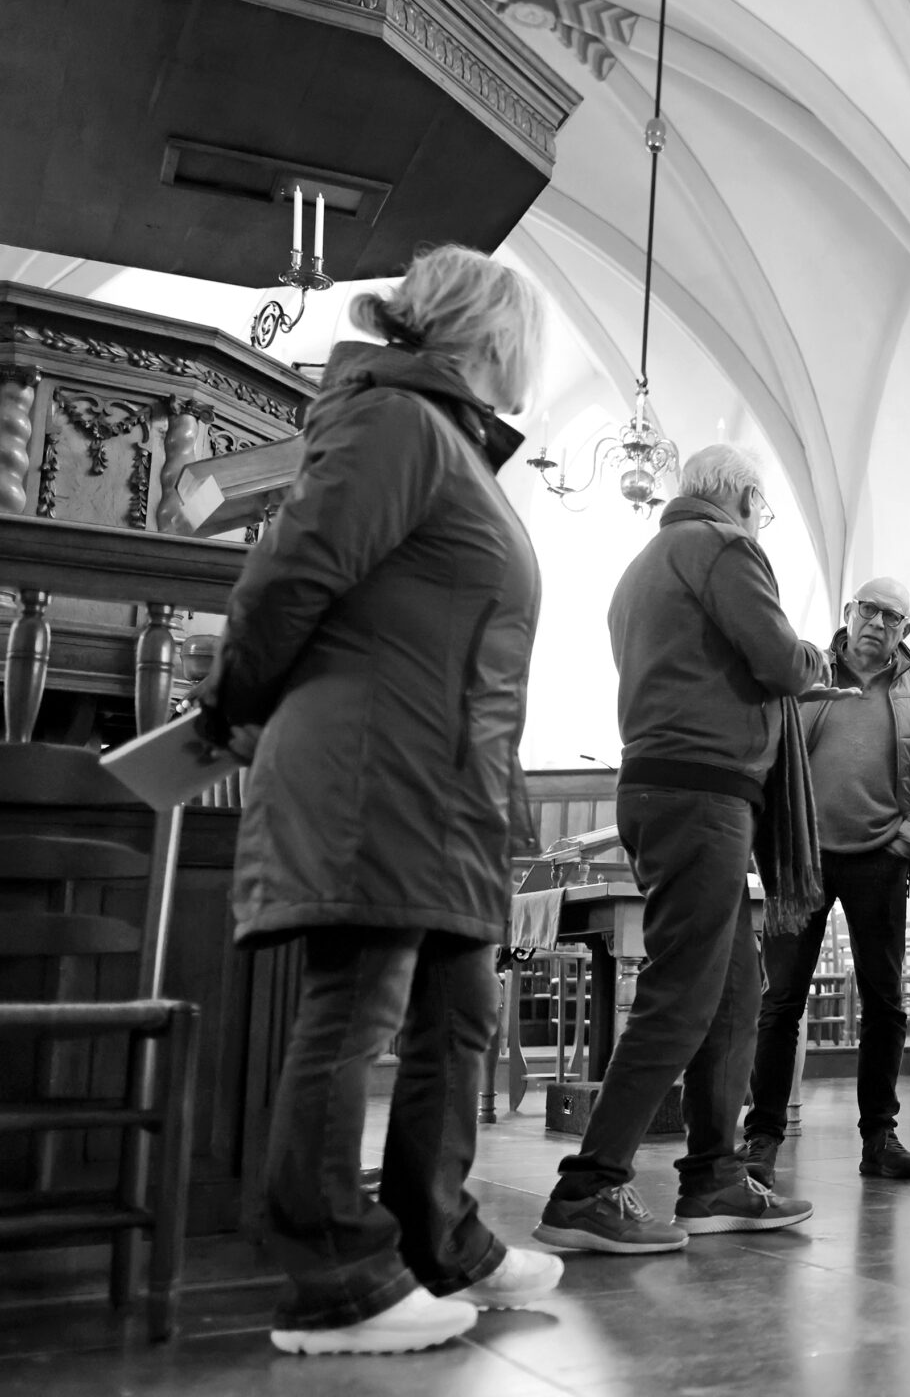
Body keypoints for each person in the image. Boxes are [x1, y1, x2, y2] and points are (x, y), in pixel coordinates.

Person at [195, 245, 561, 1353]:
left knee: (459, 1012)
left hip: (445, 781)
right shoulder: (397, 420)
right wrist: (228, 708)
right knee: (356, 1006)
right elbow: (292, 573)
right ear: (491, 333)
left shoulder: (446, 436)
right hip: (378, 770)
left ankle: (437, 1239)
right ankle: (334, 1280)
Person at [534, 444, 827, 1254]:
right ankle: (588, 1187)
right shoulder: (725, 546)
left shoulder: (643, 565)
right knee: (681, 994)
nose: (761, 522)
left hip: (664, 785)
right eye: (763, 509)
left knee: (733, 993)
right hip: (702, 791)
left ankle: (715, 1178)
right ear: (742, 496)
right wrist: (818, 657)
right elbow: (780, 661)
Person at [737, 577, 910, 1185]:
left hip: (881, 859)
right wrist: (767, 839)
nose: (877, 623)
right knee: (780, 1001)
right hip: (800, 860)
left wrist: (904, 846)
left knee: (885, 1004)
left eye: (892, 616)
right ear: (848, 612)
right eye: (869, 610)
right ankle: (762, 1137)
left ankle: (879, 1137)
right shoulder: (803, 671)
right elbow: (761, 754)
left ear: (905, 630)